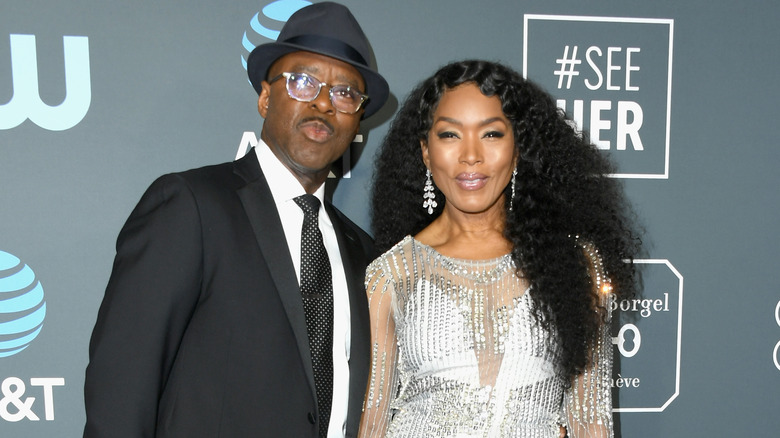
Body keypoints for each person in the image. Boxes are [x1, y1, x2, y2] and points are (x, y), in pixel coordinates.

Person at [83, 3, 389, 437]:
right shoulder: (191, 206)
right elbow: (122, 384)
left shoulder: (363, 251)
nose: (323, 102)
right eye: (303, 82)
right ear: (266, 97)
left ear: (357, 116)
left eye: (345, 93)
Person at [358, 60, 640, 437]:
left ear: (519, 147)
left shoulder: (576, 265)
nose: (470, 155)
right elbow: (373, 420)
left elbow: (591, 419)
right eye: (449, 135)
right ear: (425, 152)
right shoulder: (392, 274)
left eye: (491, 134)